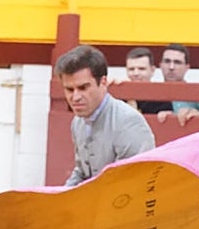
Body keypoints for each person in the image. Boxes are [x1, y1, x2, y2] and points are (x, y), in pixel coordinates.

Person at [56, 44, 155, 187]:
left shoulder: (128, 122)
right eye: (69, 89)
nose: (75, 97)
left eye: (83, 88)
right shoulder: (78, 122)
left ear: (103, 82)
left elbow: (134, 182)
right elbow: (82, 172)